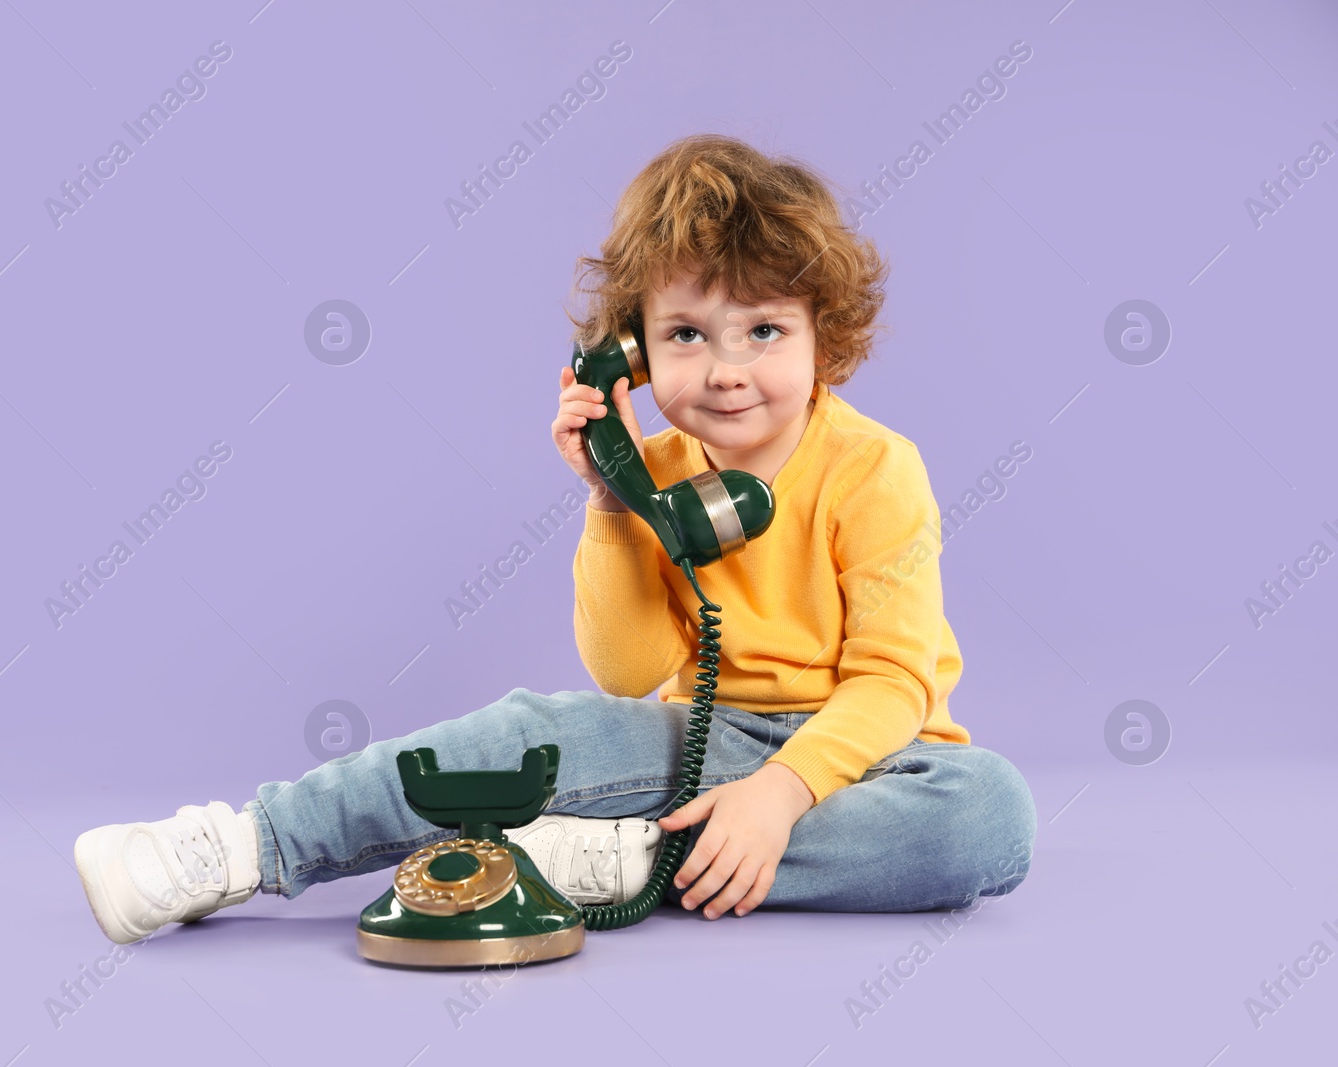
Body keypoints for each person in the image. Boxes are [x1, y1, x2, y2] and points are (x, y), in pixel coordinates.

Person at [73, 133, 1037, 945]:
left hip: (861, 757)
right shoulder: (653, 468)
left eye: (766, 331)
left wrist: (781, 793)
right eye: (689, 334)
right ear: (632, 351)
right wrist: (612, 495)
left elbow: (894, 681)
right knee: (532, 727)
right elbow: (630, 670)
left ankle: (629, 858)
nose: (729, 369)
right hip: (701, 740)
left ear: (824, 335)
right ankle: (244, 845)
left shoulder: (875, 467)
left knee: (988, 813)